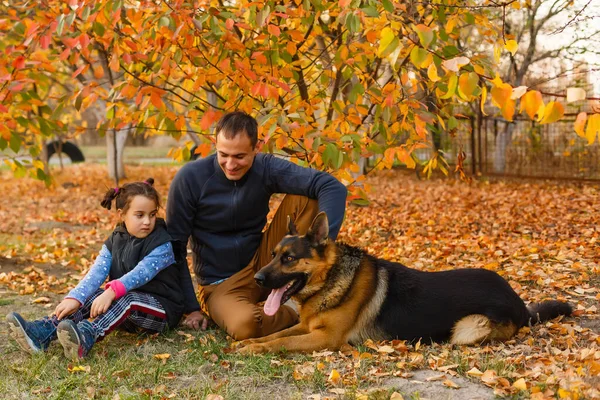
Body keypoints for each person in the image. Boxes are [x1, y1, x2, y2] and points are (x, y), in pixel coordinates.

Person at [167, 111, 348, 340]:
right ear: (214, 144)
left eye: (240, 156)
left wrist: (323, 247)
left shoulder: (266, 167)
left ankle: (300, 285)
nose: (230, 164)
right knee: (246, 325)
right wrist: (191, 307)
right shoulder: (189, 178)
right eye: (223, 154)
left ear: (258, 147)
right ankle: (296, 307)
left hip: (267, 263)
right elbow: (174, 249)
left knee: (308, 197)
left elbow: (332, 187)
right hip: (221, 284)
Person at [6, 178, 184, 360]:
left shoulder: (162, 244)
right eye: (140, 215)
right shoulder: (115, 240)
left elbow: (140, 275)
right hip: (124, 313)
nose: (147, 221)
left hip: (161, 311)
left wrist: (111, 293)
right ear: (122, 214)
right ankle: (42, 333)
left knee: (127, 298)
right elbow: (97, 272)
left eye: (152, 214)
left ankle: (87, 337)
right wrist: (76, 297)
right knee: (92, 295)